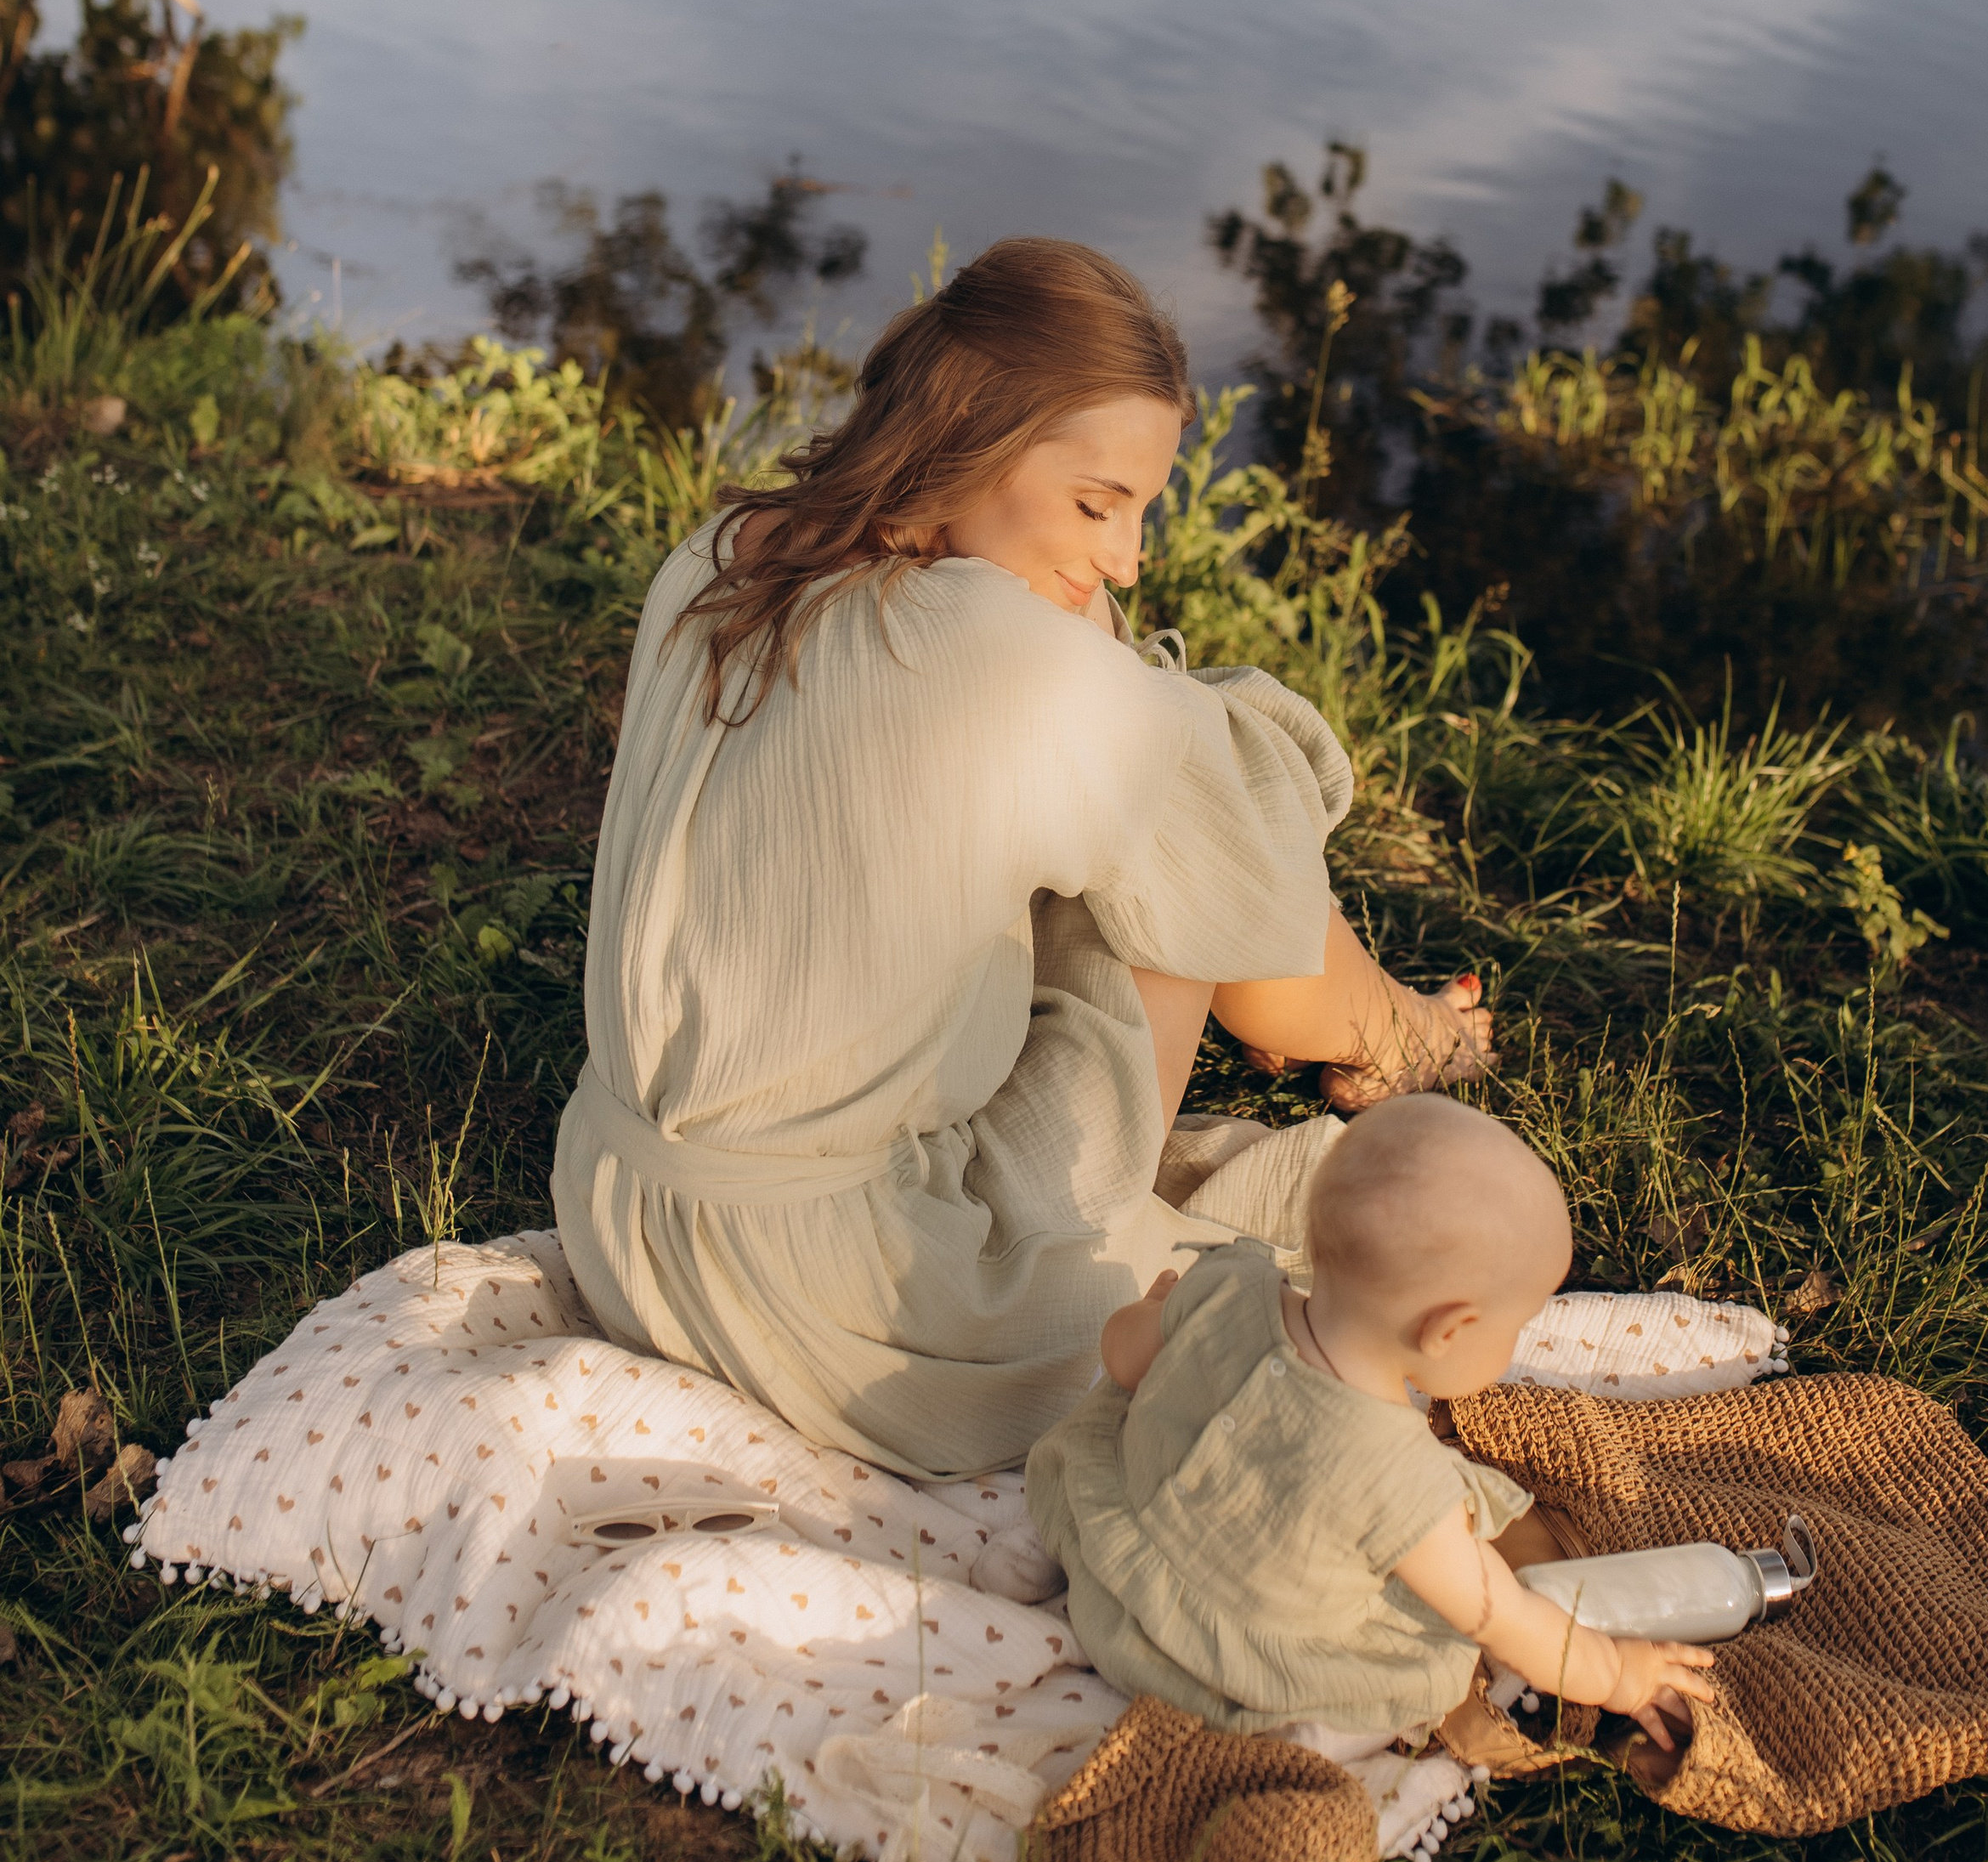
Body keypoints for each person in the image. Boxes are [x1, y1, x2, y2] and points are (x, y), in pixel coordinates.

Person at [552, 238, 1489, 1479]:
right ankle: (1405, 1039)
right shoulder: (1001, 659)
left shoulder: (724, 553)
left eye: (1141, 509)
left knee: (1156, 767)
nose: (1130, 556)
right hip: (853, 1311)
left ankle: (1367, 1025)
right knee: (1193, 808)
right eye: (1098, 504)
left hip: (621, 1214)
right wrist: (1108, 660)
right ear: (965, 442)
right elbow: (1241, 844)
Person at [1025, 1097, 1718, 1747]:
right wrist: (1618, 1676)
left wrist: (1154, 1312)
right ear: (1448, 1331)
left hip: (1108, 1555)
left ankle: (1032, 1559)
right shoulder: (1399, 1480)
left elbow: (1123, 1358)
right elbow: (1501, 1615)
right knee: (1427, 1649)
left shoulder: (1225, 1287)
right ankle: (1318, 1738)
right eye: (1517, 1323)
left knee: (1114, 1416)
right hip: (1208, 1665)